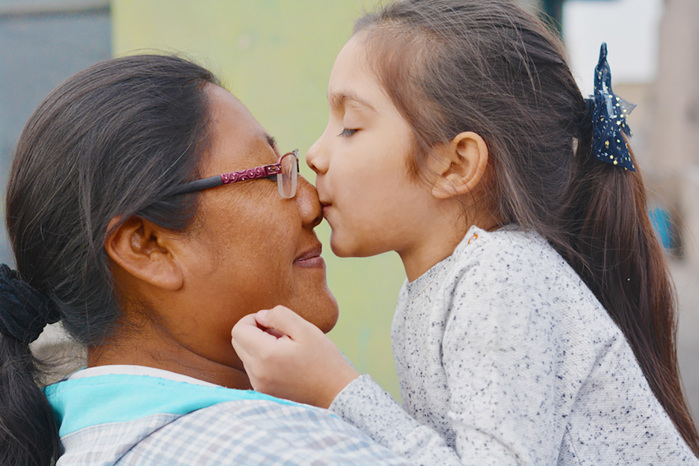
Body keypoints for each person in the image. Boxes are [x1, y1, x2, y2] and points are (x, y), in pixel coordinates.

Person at [231, 0, 699, 463]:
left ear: (456, 165)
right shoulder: (439, 288)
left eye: (351, 126)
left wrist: (337, 390)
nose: (314, 154)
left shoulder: (502, 277)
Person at [0, 54, 407, 465]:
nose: (311, 202)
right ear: (147, 246)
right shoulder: (265, 449)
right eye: (269, 174)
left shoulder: (86, 445)